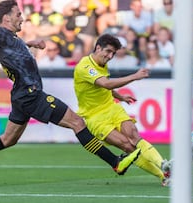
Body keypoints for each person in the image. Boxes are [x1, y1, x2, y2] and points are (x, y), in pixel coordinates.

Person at [0, 0, 141, 187]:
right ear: (7, 18)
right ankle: (115, 163)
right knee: (77, 123)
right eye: (18, 14)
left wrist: (31, 43)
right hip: (30, 94)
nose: (22, 17)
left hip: (21, 95)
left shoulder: (9, 36)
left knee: (7, 139)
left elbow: (12, 47)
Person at [73, 33, 173, 186]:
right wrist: (134, 76)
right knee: (127, 146)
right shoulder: (85, 66)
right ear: (98, 48)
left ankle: (163, 164)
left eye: (113, 53)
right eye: (108, 51)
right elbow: (105, 84)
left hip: (112, 108)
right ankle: (163, 176)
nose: (110, 56)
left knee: (133, 134)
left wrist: (120, 97)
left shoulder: (101, 64)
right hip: (95, 118)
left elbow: (101, 87)